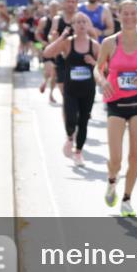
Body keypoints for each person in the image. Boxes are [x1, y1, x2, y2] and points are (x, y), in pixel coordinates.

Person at [93, 0, 137, 217]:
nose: (131, 18)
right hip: (115, 103)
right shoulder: (109, 43)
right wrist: (103, 82)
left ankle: (127, 199)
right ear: (119, 16)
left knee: (134, 156)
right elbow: (97, 68)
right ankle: (112, 181)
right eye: (126, 14)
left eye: (134, 14)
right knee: (116, 159)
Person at [43, 12, 99, 167]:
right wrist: (61, 37)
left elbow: (105, 67)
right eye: (78, 22)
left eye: (84, 22)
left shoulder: (94, 45)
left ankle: (78, 152)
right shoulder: (68, 43)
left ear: (88, 25)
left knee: (83, 121)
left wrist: (93, 62)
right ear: (73, 26)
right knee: (71, 118)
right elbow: (47, 53)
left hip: (88, 89)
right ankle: (69, 138)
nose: (81, 25)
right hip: (70, 89)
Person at [36, 0, 61, 103]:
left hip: (58, 49)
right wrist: (42, 42)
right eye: (52, 7)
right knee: (50, 71)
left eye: (56, 7)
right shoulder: (44, 20)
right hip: (47, 48)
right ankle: (45, 81)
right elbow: (37, 33)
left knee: (54, 73)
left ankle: (50, 93)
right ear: (49, 8)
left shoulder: (61, 20)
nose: (54, 9)